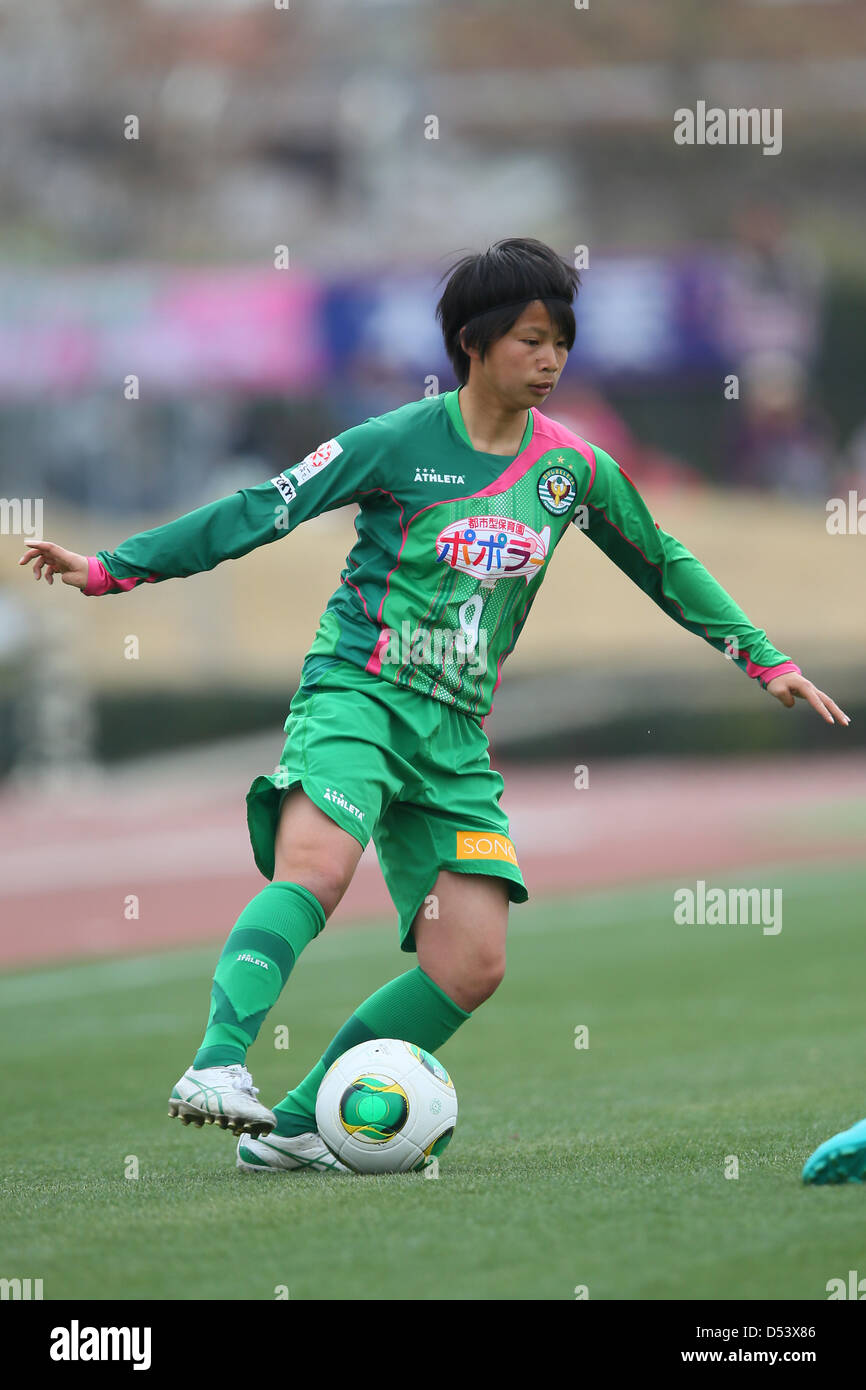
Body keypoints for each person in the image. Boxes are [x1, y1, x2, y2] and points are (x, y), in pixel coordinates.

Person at [18, 237, 849, 1178]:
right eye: (532, 339)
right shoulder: (393, 442)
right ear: (472, 341)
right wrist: (110, 568)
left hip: (454, 738)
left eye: (562, 342)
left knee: (471, 965)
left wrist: (761, 656)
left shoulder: (574, 468)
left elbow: (663, 559)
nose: (551, 360)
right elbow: (262, 507)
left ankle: (291, 1127)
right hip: (358, 695)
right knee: (319, 869)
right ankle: (216, 1064)